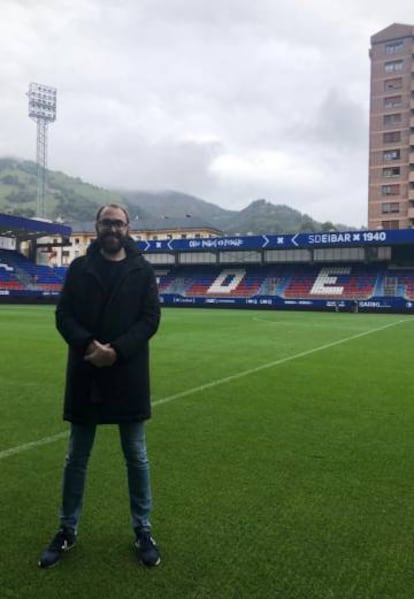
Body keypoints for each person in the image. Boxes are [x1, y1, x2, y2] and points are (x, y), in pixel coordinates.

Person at [38, 204, 161, 568]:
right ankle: (67, 530)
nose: (113, 228)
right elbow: (64, 315)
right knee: (76, 458)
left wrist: (118, 351)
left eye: (118, 223)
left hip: (128, 373)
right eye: (107, 222)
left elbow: (150, 318)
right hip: (87, 370)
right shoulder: (79, 268)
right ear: (97, 226)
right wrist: (90, 346)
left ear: (127, 228)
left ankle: (143, 529)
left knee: (136, 457)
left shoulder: (141, 269)